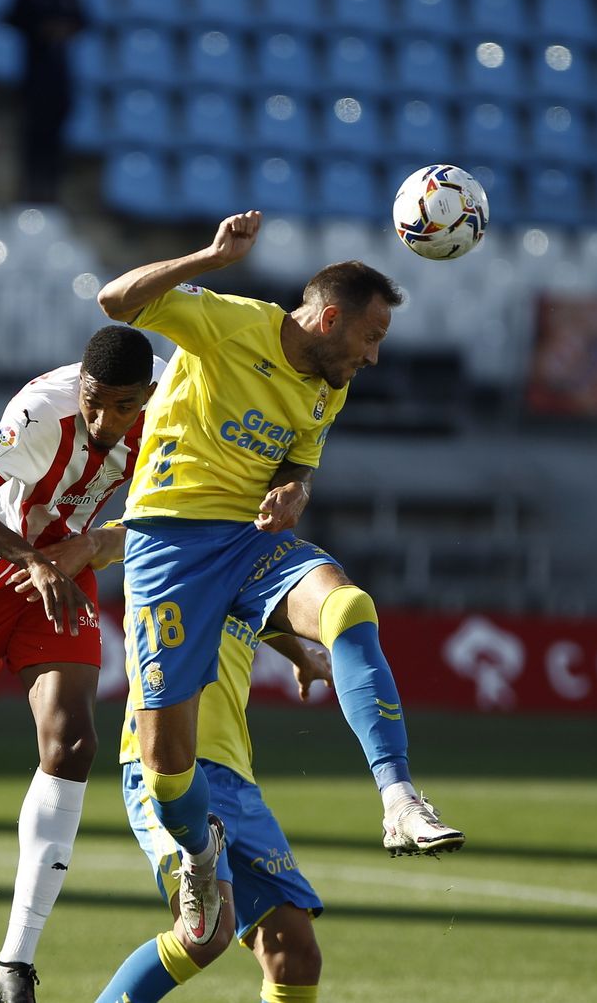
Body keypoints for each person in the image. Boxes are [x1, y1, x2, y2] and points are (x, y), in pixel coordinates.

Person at [96, 211, 465, 949]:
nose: (374, 357)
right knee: (168, 762)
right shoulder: (230, 324)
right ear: (328, 318)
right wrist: (208, 256)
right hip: (168, 546)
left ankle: (397, 796)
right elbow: (114, 301)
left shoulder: (331, 385)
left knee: (349, 604)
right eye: (370, 337)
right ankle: (199, 856)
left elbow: (298, 459)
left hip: (247, 541)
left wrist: (294, 489)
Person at [0, 325, 161, 1003]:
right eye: (96, 401)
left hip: (63, 567)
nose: (105, 419)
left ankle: (15, 961)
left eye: (124, 405)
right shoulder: (40, 416)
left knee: (73, 740)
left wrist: (90, 547)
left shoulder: (174, 406)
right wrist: (28, 558)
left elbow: (186, 512)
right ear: (81, 384)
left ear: (148, 394)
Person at [97, 622, 334, 1003]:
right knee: (203, 935)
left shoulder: (245, 568)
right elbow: (93, 557)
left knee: (294, 950)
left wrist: (302, 656)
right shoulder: (163, 563)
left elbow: (265, 610)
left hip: (238, 779)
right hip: (172, 767)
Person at [4, 0, 88, 203]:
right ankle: (28, 190)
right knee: (31, 137)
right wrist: (42, 29)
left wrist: (63, 30)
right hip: (33, 77)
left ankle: (52, 192)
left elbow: (84, 21)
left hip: (60, 79)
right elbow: (13, 18)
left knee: (56, 139)